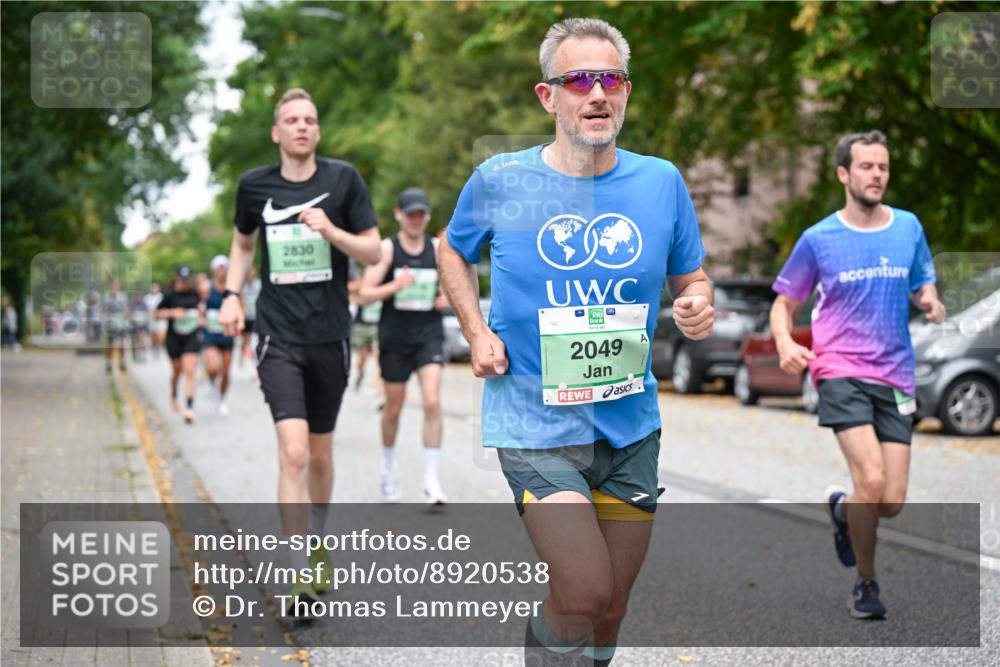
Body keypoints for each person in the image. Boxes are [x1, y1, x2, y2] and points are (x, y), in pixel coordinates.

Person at [439, 18, 714, 666]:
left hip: (630, 425)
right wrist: (476, 332)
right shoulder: (502, 179)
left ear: (625, 91)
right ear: (548, 96)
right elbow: (451, 249)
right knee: (584, 587)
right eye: (579, 80)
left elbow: (692, 275)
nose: (597, 93)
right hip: (534, 424)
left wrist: (697, 302)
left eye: (610, 78)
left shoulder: (661, 182)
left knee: (612, 602)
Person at [770, 130, 946, 620]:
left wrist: (929, 300)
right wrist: (786, 343)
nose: (877, 176)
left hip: (896, 374)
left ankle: (843, 509)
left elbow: (923, 283)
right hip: (840, 370)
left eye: (883, 167)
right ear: (845, 174)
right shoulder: (819, 239)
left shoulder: (908, 227)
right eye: (867, 167)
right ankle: (865, 585)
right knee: (869, 479)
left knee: (889, 501)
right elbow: (785, 304)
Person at [218, 88, 381, 611]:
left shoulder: (343, 180)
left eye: (310, 119)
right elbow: (243, 246)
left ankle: (316, 541)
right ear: (277, 132)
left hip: (330, 334)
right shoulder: (253, 186)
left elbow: (374, 249)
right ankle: (295, 574)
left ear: (317, 131)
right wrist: (229, 294)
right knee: (291, 452)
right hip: (276, 334)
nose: (302, 127)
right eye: (292, 120)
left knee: (319, 454)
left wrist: (332, 230)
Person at [359, 187, 449, 504]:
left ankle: (431, 479)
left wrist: (445, 299)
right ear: (399, 214)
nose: (415, 219)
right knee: (393, 410)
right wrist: (395, 286)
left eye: (420, 214)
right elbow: (363, 294)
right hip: (395, 337)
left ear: (426, 216)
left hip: (428, 335)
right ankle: (387, 467)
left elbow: (452, 288)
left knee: (433, 401)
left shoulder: (438, 248)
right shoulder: (387, 249)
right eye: (409, 213)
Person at [156, 265, 203, 424]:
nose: (184, 283)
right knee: (177, 371)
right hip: (174, 338)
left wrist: (201, 317)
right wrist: (172, 313)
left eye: (186, 279)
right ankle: (174, 391)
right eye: (181, 279)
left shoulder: (195, 293)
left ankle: (189, 407)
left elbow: (201, 310)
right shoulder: (169, 295)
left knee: (190, 371)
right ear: (176, 278)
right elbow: (156, 313)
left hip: (191, 336)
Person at [202, 255, 237, 416]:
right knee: (213, 366)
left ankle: (222, 399)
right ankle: (210, 380)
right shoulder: (206, 288)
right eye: (219, 268)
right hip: (210, 333)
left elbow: (239, 308)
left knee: (226, 371)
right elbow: (200, 308)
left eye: (224, 267)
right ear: (214, 270)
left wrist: (237, 323)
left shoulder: (234, 289)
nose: (222, 271)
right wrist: (201, 318)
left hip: (227, 334)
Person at [348, 268, 384, 402]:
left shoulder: (384, 281)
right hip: (362, 325)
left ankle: (379, 393)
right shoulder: (362, 282)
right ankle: (360, 372)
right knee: (362, 358)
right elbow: (352, 296)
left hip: (377, 325)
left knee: (379, 357)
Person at [103, 279, 130, 373]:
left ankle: (122, 361)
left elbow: (126, 309)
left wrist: (126, 316)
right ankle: (109, 362)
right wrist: (107, 316)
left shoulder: (123, 297)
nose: (115, 288)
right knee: (110, 344)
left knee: (122, 343)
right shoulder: (107, 297)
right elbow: (104, 310)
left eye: (116, 286)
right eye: (113, 286)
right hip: (111, 323)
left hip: (121, 322)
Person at [239, 267, 261, 366]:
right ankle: (243, 359)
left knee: (255, 340)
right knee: (245, 340)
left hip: (256, 317)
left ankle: (254, 360)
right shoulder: (243, 287)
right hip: (246, 317)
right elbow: (241, 301)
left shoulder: (259, 284)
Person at [144, 282, 165, 358]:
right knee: (153, 335)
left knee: (160, 335)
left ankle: (159, 347)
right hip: (151, 319)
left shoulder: (161, 297)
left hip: (160, 319)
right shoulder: (147, 297)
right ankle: (154, 348)